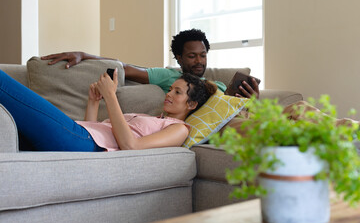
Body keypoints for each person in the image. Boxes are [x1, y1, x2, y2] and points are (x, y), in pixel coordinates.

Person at [0, 69, 217, 152]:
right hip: (78, 134)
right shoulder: (152, 118)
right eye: (170, 89)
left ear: (192, 105)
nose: (168, 94)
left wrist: (111, 96)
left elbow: (131, 146)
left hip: (82, 141)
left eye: (177, 92)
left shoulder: (179, 129)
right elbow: (93, 130)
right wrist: (94, 102)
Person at [41, 28, 260, 99]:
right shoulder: (171, 78)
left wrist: (252, 100)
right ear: (179, 59)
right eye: (192, 56)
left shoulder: (219, 86)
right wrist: (84, 54)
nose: (199, 61)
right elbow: (123, 67)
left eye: (202, 55)